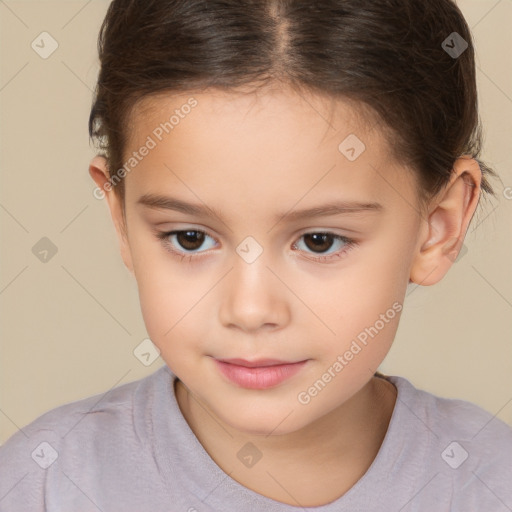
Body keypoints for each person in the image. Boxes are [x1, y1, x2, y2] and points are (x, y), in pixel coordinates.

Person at [1, 0, 510, 510]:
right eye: (190, 238)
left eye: (320, 241)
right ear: (122, 219)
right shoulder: (43, 485)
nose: (250, 310)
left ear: (437, 227)